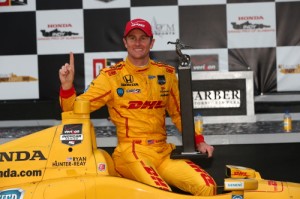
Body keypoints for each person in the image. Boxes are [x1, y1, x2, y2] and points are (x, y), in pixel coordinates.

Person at [59, 18, 216, 196]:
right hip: (131, 152)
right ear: (125, 42)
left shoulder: (166, 73)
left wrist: (198, 140)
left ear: (152, 42)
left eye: (143, 38)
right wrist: (67, 87)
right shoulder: (111, 76)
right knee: (160, 193)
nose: (138, 43)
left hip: (163, 152)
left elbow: (181, 114)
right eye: (132, 38)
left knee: (207, 186)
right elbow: (72, 110)